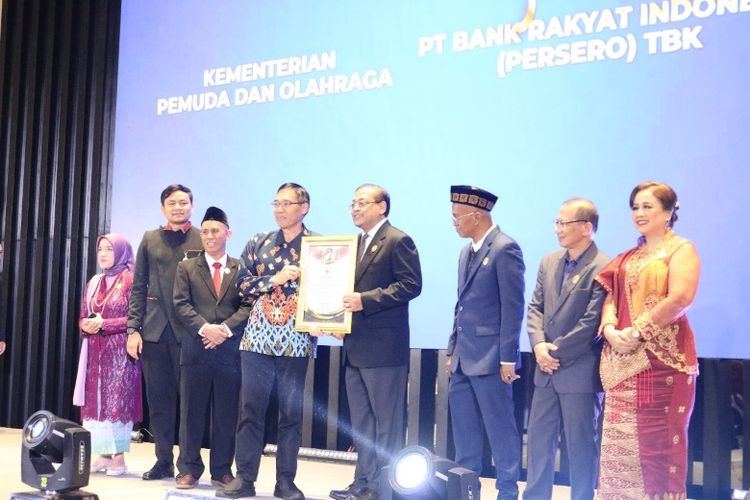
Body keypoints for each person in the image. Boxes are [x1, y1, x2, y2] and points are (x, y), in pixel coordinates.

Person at [595, 181, 700, 499]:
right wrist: (610, 330)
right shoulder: (627, 258)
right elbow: (611, 297)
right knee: (618, 446)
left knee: (659, 448)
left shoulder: (681, 250)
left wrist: (638, 331)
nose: (639, 213)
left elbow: (680, 298)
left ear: (668, 212)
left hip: (663, 365)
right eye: (635, 207)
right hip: (622, 363)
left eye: (647, 206)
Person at [218, 183, 315, 500]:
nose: (280, 209)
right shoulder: (258, 242)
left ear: (304, 207)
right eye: (276, 203)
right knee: (250, 411)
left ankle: (285, 482)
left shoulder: (317, 247)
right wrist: (275, 279)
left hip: (296, 339)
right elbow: (241, 286)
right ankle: (244, 479)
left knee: (291, 415)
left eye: (287, 203)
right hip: (257, 338)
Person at [329, 183, 422, 500]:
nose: (355, 208)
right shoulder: (353, 244)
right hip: (355, 347)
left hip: (384, 349)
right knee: (362, 424)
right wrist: (335, 321)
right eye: (352, 203)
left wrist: (364, 300)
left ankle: (384, 488)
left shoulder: (397, 240)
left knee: (386, 425)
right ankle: (362, 483)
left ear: (381, 207)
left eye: (362, 203)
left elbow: (410, 285)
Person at [523, 199, 608, 500]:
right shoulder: (548, 261)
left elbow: (591, 323)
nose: (558, 229)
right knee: (539, 443)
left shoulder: (604, 266)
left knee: (581, 447)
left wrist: (553, 353)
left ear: (586, 228)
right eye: (556, 222)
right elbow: (535, 307)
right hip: (545, 370)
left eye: (564, 223)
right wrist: (538, 345)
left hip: (579, 371)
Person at [446, 185, 525, 500]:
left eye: (457, 217)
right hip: (463, 358)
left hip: (492, 358)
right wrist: (452, 350)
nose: (454, 222)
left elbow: (512, 307)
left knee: (500, 430)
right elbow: (461, 306)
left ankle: (507, 492)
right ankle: (467, 492)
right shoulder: (465, 251)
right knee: (465, 435)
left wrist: (508, 358)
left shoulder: (505, 248)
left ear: (476, 216)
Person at [127, 184, 202, 481]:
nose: (178, 207)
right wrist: (133, 329)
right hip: (155, 332)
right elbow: (138, 286)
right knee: (159, 403)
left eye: (183, 202)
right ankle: (163, 461)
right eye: (172, 203)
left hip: (190, 333)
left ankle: (188, 465)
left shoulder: (202, 238)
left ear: (192, 206)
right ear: (163, 208)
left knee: (190, 404)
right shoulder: (150, 239)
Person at [172, 207, 251, 489]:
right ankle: (188, 468)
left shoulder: (241, 268)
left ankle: (221, 470)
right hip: (196, 349)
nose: (209, 236)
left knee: (226, 414)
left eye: (215, 231)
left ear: (228, 233)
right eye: (204, 231)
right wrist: (206, 329)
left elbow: (248, 305)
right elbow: (180, 303)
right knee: (191, 413)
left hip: (229, 352)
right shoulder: (187, 267)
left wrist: (225, 330)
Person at [75, 234, 143, 476]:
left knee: (117, 402)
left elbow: (136, 318)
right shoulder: (94, 282)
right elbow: (83, 315)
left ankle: (119, 457)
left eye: (109, 249)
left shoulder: (131, 280)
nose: (103, 254)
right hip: (94, 352)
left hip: (121, 352)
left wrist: (105, 324)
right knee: (97, 402)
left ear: (122, 253)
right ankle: (103, 455)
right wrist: (85, 325)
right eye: (100, 249)